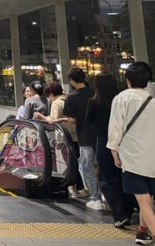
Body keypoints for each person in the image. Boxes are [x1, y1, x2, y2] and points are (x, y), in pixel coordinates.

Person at [108, 62, 155, 246]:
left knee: (143, 199)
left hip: (132, 156)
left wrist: (114, 151)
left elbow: (115, 128)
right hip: (154, 158)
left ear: (127, 80)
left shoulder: (121, 99)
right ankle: (142, 233)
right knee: (148, 197)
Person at [85, 72, 137, 228]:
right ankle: (128, 211)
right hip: (125, 143)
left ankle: (119, 214)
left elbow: (89, 120)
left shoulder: (94, 102)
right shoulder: (122, 100)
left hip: (104, 143)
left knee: (107, 180)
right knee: (125, 177)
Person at [34, 80, 84, 198]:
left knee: (70, 164)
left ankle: (75, 188)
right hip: (76, 135)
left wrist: (40, 116)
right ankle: (81, 187)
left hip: (64, 137)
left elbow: (53, 120)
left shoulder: (56, 103)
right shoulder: (68, 99)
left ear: (51, 93)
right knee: (76, 161)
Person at [62, 66, 103, 210]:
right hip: (100, 135)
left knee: (87, 166)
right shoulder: (95, 92)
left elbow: (72, 119)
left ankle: (95, 198)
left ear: (72, 80)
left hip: (84, 136)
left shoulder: (72, 97)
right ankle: (106, 195)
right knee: (102, 165)